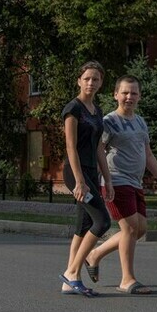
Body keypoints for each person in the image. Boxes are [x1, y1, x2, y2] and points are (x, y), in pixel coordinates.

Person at [83, 76, 157, 294]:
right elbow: (98, 151)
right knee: (130, 228)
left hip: (135, 183)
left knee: (140, 229)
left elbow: (148, 154)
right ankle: (127, 279)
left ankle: (94, 255)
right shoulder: (108, 121)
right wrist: (97, 183)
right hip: (115, 180)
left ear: (139, 96)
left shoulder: (140, 122)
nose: (129, 97)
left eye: (133, 93)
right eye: (125, 92)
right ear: (115, 95)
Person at [59, 61, 113, 297]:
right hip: (76, 172)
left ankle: (69, 281)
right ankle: (71, 273)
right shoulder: (74, 109)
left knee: (82, 227)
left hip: (92, 172)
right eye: (87, 78)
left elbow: (100, 148)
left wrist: (107, 179)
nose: (91, 83)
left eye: (96, 79)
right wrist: (79, 181)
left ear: (101, 83)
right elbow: (71, 147)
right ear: (79, 81)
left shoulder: (97, 111)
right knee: (102, 222)